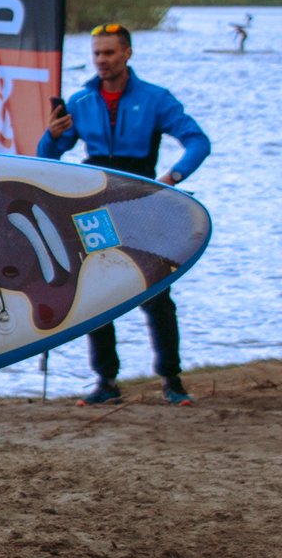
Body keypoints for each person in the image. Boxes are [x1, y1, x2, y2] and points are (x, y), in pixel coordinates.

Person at [37, 23, 211, 405]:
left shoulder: (156, 98)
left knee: (156, 292)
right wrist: (51, 136)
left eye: (110, 53)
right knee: (97, 292)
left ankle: (171, 379)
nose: (102, 60)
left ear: (127, 53)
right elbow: (45, 161)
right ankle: (106, 382)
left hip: (143, 202)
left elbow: (199, 142)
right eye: (97, 53)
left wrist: (172, 178)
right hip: (93, 205)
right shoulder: (81, 102)